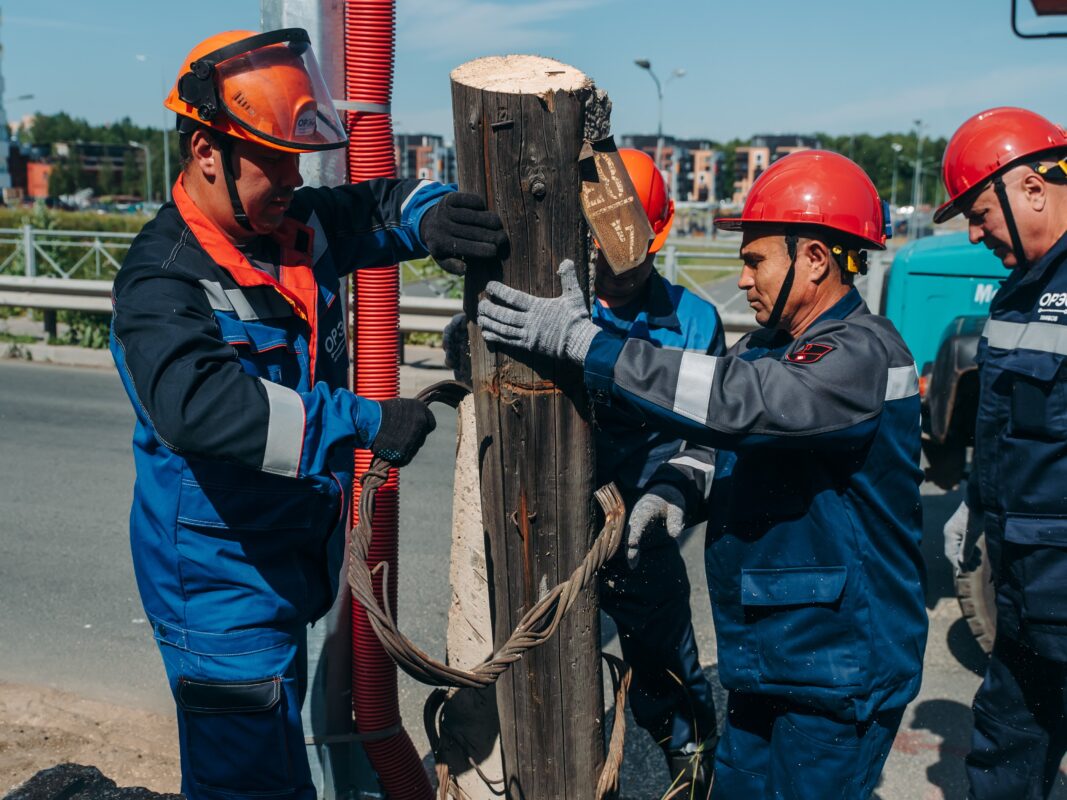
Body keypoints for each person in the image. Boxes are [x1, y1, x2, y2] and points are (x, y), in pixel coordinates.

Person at [109, 29, 506, 800]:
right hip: (217, 582)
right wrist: (360, 421)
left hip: (284, 565)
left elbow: (375, 206)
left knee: (275, 771)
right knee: (249, 788)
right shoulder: (163, 284)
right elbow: (200, 407)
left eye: (298, 158)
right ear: (204, 152)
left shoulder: (287, 225)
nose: (292, 178)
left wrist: (430, 217)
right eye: (273, 159)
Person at [477, 150, 928, 798]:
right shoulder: (773, 346)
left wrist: (590, 346)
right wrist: (677, 487)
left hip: (838, 671)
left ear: (815, 260)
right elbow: (720, 440)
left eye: (754, 260)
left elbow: (741, 403)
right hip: (775, 659)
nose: (742, 280)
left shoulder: (859, 353)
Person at [935, 106, 1067, 800]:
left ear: (1034, 190)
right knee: (1001, 763)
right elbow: (1005, 429)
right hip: (1023, 595)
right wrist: (976, 503)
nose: (973, 231)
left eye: (980, 211)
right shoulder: (1020, 294)